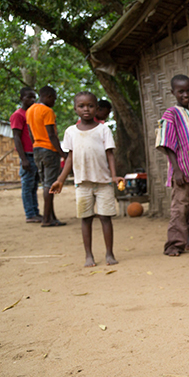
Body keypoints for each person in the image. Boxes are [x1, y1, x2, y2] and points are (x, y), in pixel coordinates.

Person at [50, 92, 124, 267]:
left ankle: (109, 253)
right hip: (82, 183)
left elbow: (110, 154)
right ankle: (88, 255)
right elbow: (69, 158)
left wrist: (113, 175)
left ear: (96, 109)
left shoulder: (103, 129)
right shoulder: (70, 132)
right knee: (86, 218)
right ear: (75, 108)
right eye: (81, 106)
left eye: (90, 106)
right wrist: (60, 179)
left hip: (104, 182)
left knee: (106, 218)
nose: (86, 109)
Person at [156, 74, 189, 256]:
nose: (185, 94)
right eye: (181, 91)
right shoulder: (171, 113)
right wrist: (176, 170)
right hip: (182, 169)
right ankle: (174, 244)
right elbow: (167, 142)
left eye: (188, 90)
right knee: (179, 207)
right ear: (173, 92)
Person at [26, 85, 66, 227]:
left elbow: (31, 134)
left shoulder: (29, 111)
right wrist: (62, 154)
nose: (54, 102)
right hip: (49, 150)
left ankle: (51, 216)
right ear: (48, 97)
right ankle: (47, 219)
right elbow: (52, 135)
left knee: (45, 184)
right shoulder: (47, 111)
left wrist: (36, 146)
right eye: (54, 99)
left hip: (37, 149)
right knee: (50, 185)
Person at [10, 87, 41, 223]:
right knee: (27, 186)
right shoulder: (18, 115)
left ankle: (35, 212)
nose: (32, 100)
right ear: (21, 98)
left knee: (34, 186)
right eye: (29, 97)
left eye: (34, 97)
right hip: (27, 155)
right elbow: (16, 137)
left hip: (35, 153)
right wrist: (23, 159)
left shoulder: (31, 114)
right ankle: (30, 214)